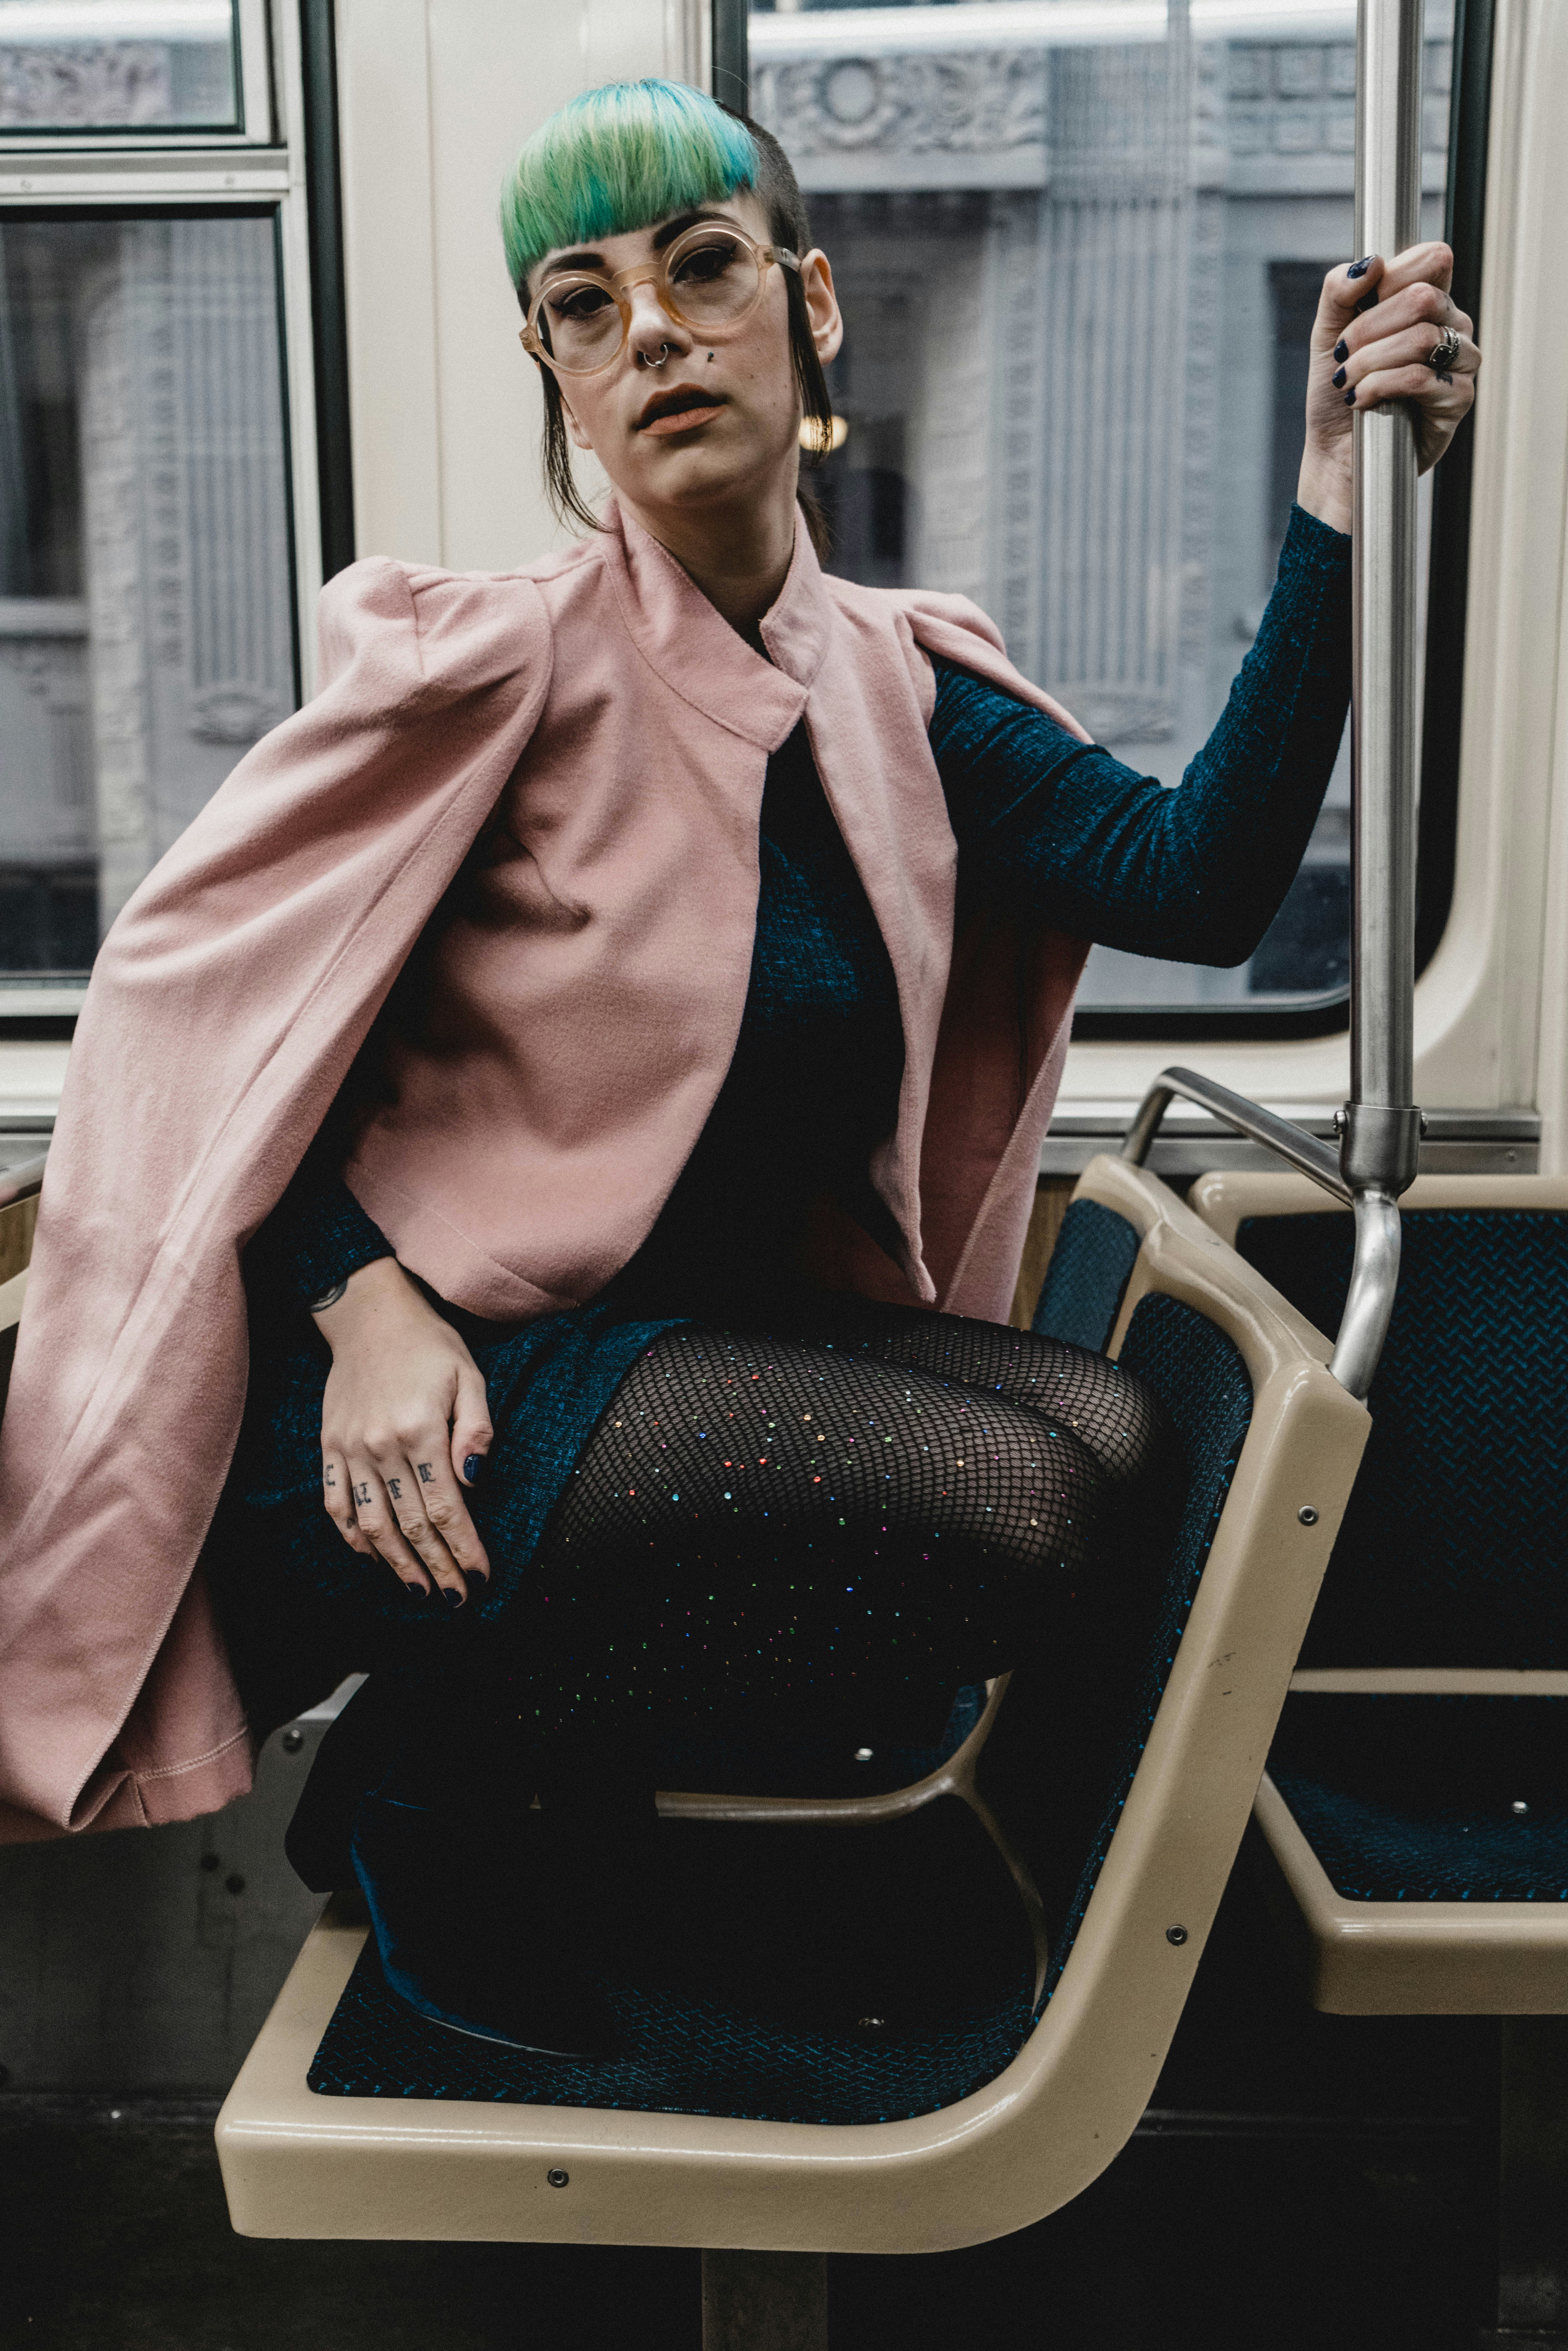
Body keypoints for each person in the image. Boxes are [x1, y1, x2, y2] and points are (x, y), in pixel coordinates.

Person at [0, 82, 1478, 2058]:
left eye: (700, 270)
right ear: (556, 374)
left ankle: (491, 1765)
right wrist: (359, 1306)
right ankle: (449, 1795)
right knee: (1010, 1510)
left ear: (811, 308)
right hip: (409, 1410)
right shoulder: (485, 665)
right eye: (584, 306)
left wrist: (1334, 493)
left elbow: (1199, 885)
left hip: (662, 1365)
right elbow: (193, 1036)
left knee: (1113, 1454)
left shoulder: (902, 687)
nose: (653, 336)